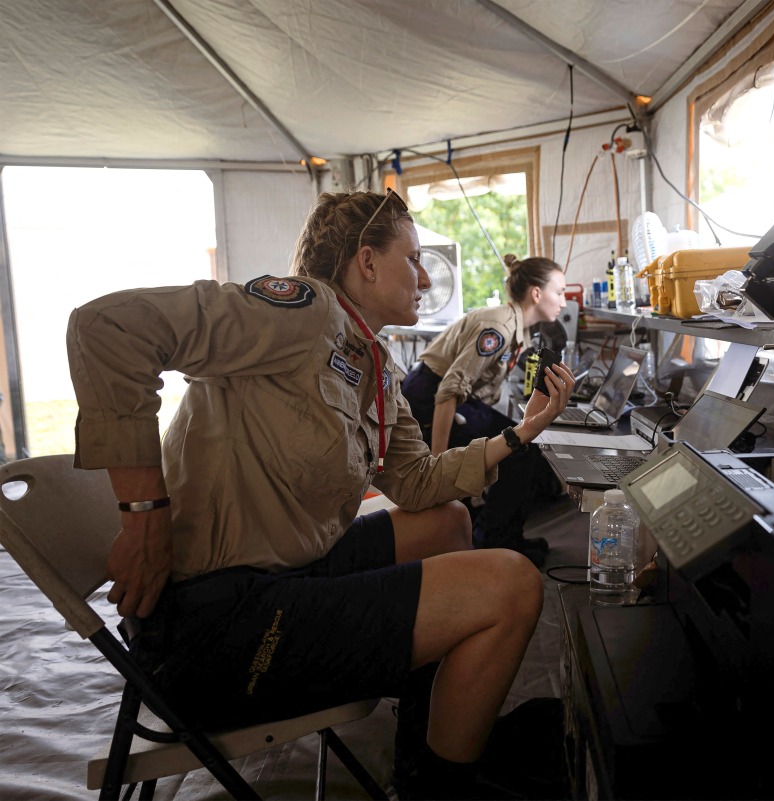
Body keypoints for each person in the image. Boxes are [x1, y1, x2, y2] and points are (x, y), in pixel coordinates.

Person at [65, 187, 576, 799]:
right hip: (214, 628)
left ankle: (431, 744)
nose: (423, 276)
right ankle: (444, 789)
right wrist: (144, 518)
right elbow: (105, 329)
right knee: (513, 583)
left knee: (446, 525)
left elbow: (416, 482)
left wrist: (522, 433)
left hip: (285, 577)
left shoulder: (374, 363)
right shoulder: (302, 311)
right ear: (366, 262)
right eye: (412, 258)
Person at [401, 253, 569, 566]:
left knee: (523, 446)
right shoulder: (499, 328)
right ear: (536, 293)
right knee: (519, 452)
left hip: (450, 397)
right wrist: (438, 468)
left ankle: (503, 535)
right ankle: (495, 543)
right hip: (429, 398)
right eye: (558, 292)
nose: (564, 301)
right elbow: (448, 390)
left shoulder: (518, 327)